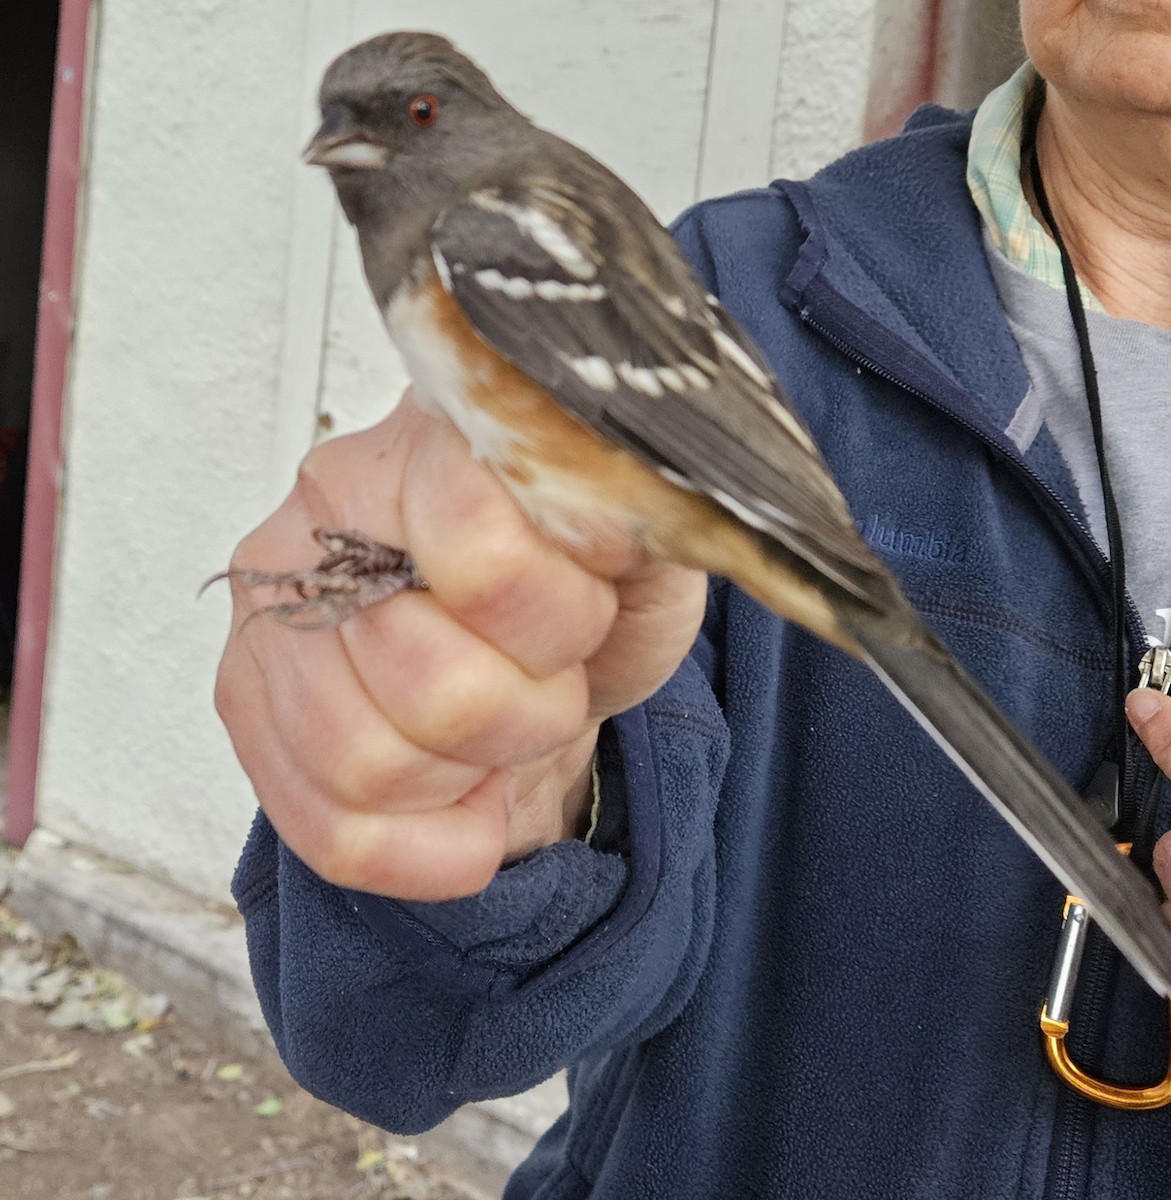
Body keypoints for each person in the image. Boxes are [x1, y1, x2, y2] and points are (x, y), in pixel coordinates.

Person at [215, 1, 1171, 1195]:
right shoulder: (744, 274)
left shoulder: (495, 223)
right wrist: (486, 757)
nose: (356, 143)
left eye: (406, 119)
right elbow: (402, 1039)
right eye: (349, 125)